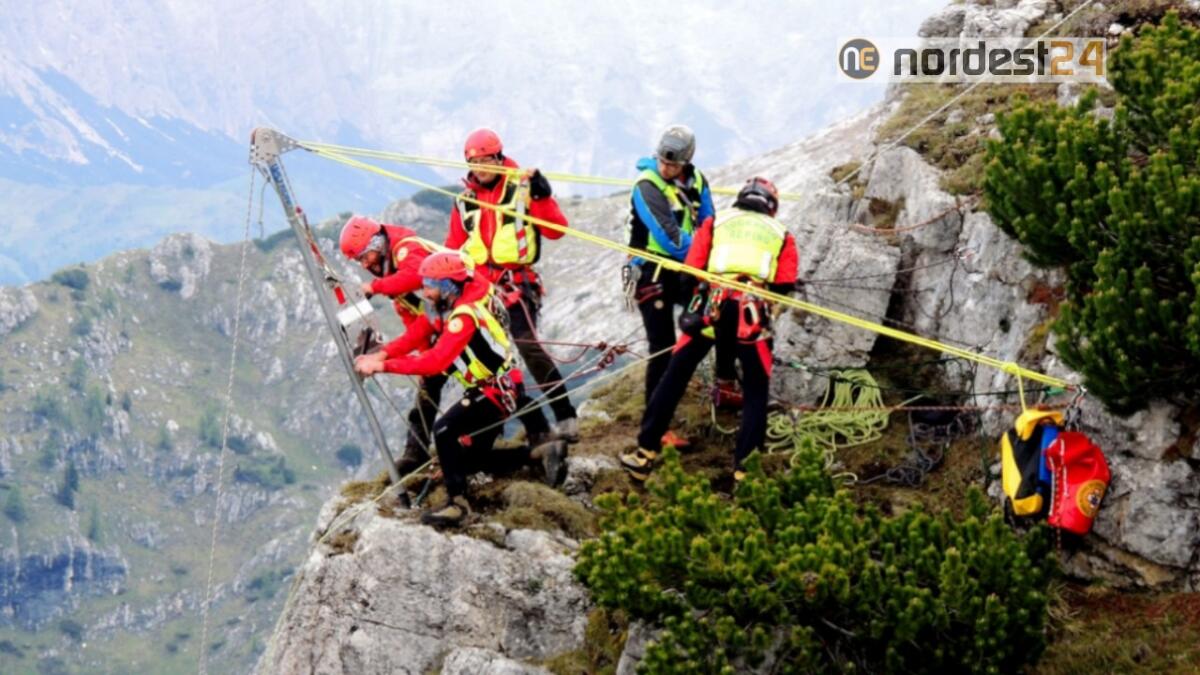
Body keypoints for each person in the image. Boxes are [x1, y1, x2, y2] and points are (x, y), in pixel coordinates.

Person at [355, 251, 568, 527]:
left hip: (492, 391)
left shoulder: (463, 316)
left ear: (447, 286)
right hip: (500, 387)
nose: (425, 292)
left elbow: (435, 361)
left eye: (430, 286)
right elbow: (420, 337)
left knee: (444, 430)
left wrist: (382, 366)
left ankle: (458, 505)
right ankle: (538, 454)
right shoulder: (462, 303)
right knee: (467, 460)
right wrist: (383, 354)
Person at [621, 177, 800, 482]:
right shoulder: (782, 234)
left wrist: (694, 305)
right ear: (771, 206)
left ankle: (644, 454)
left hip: (711, 307)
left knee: (674, 375)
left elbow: (691, 269)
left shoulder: (716, 222)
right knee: (756, 389)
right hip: (750, 314)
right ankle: (745, 473)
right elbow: (784, 285)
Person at [445, 128, 580, 442]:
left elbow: (556, 230)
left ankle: (565, 416)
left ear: (499, 157)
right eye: (475, 162)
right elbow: (453, 247)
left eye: (486, 160)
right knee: (487, 362)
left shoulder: (523, 188)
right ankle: (519, 432)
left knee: (528, 347)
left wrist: (542, 197)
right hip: (479, 289)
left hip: (516, 285)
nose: (481, 167)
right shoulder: (465, 200)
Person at [626, 125, 737, 446]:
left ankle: (725, 383)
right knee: (662, 347)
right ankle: (656, 428)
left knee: (720, 314)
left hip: (685, 270)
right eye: (663, 161)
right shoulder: (647, 186)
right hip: (653, 271)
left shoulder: (697, 180)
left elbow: (708, 222)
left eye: (672, 164)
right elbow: (670, 238)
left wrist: (715, 258)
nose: (666, 168)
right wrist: (707, 260)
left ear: (686, 162)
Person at [339, 215, 445, 475]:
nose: (365, 264)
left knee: (490, 382)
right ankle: (415, 453)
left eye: (365, 256)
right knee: (428, 387)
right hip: (442, 326)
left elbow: (417, 276)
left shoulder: (406, 249)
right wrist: (424, 357)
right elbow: (414, 323)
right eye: (360, 260)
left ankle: (536, 431)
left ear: (377, 243)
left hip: (466, 316)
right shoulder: (394, 280)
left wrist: (374, 287)